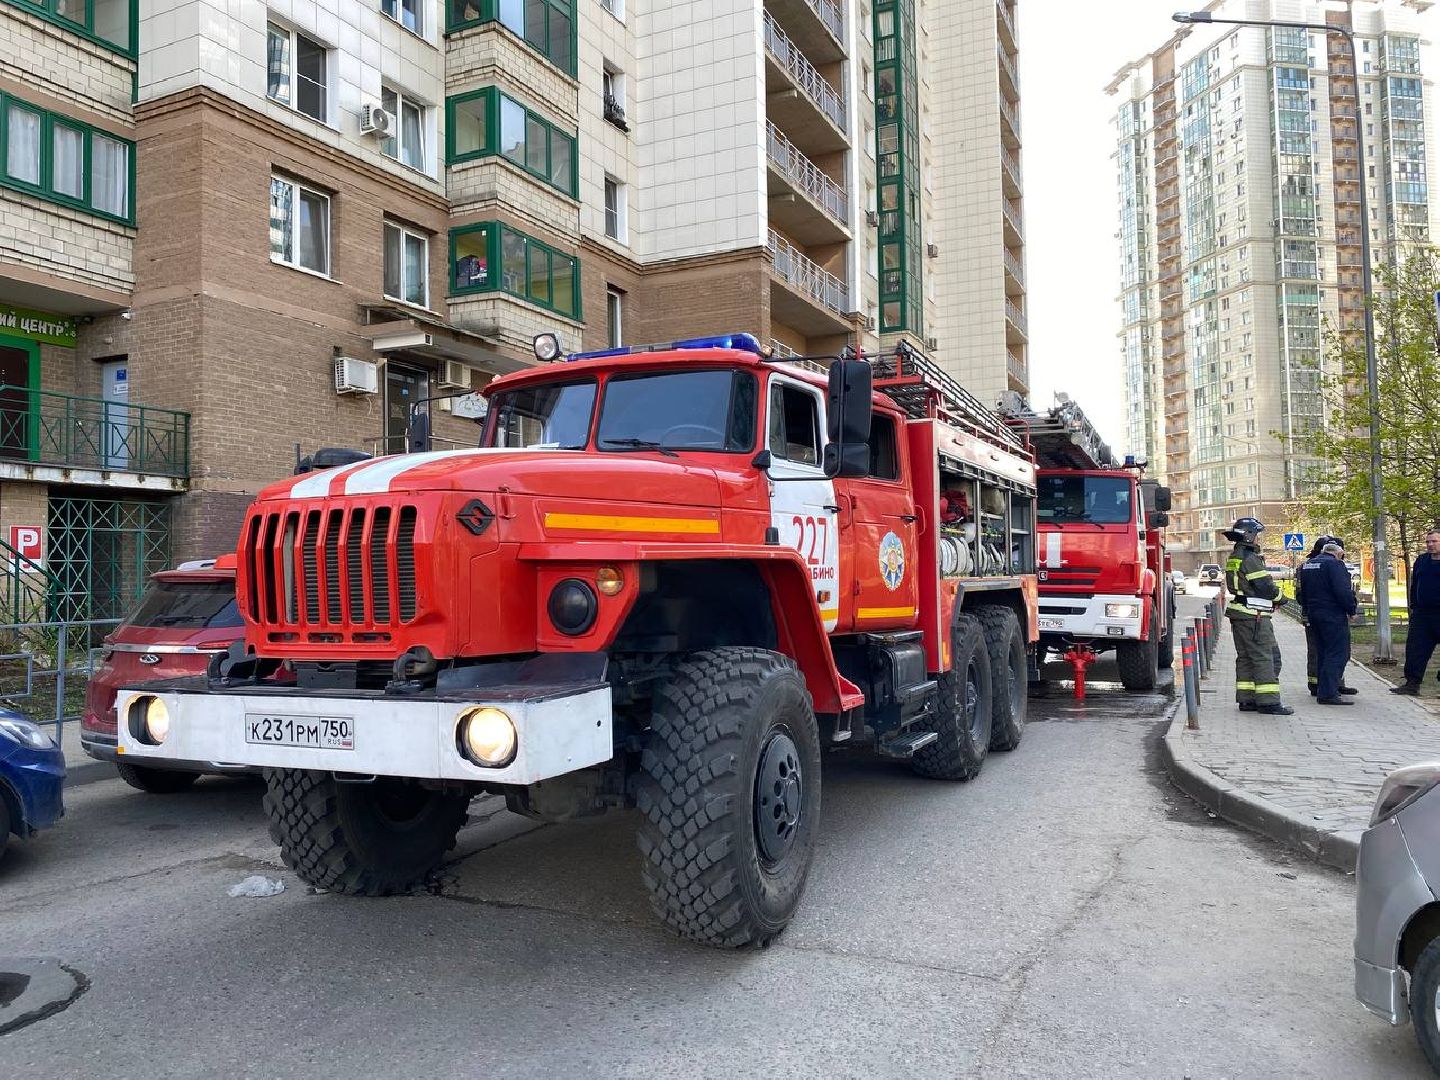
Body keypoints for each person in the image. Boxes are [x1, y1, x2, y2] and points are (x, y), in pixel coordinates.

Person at [1222, 517, 1294, 715]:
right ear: (1249, 535)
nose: (1259, 539)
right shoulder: (1250, 558)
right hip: (1254, 616)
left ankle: (1247, 700)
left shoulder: (1236, 555)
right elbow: (1265, 586)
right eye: (1257, 535)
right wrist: (1281, 599)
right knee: (1267, 658)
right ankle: (1268, 702)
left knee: (1245, 658)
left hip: (1241, 613)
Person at [1295, 534, 1358, 697]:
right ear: (1339, 552)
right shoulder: (1334, 565)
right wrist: (1351, 609)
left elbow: (1303, 594)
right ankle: (1324, 688)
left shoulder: (1308, 565)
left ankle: (1332, 685)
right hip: (1330, 615)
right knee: (1332, 652)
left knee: (1324, 652)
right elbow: (1342, 591)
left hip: (1313, 614)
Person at [1392, 529, 1440, 695]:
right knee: (1415, 649)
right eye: (1428, 542)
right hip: (1422, 614)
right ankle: (1412, 684)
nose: (1430, 545)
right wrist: (1414, 606)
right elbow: (1414, 585)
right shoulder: (1421, 561)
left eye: (1434, 541)